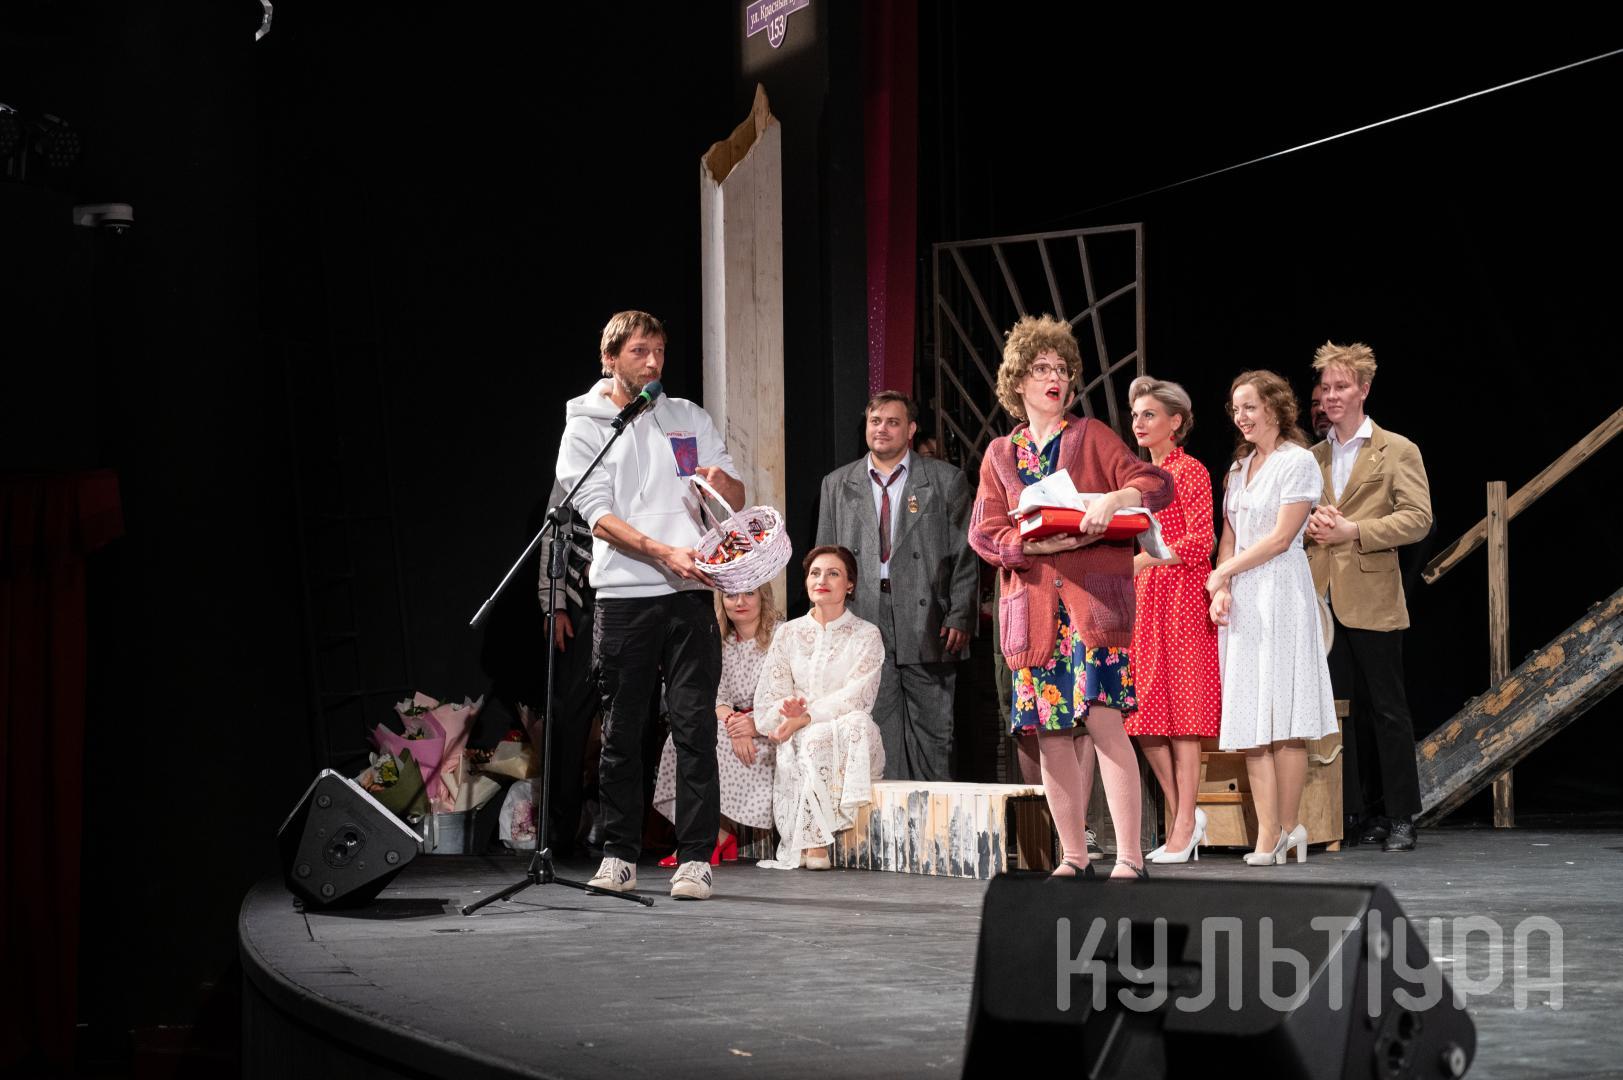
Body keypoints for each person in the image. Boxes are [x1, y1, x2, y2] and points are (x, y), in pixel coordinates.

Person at [968, 315, 1172, 881]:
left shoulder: (1093, 435)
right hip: (1035, 613)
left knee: (1105, 724)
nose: (1054, 378)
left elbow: (1156, 484)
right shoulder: (1000, 454)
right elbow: (983, 532)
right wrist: (1029, 545)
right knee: (1051, 733)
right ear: (1019, 381)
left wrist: (1115, 499)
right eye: (1041, 369)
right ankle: (1074, 856)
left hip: (1091, 609)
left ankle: (1129, 856)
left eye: (1061, 368)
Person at [555, 310, 745, 901]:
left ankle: (695, 859)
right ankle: (618, 854)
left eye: (660, 350)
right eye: (640, 351)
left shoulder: (687, 415)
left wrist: (723, 484)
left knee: (694, 726)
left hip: (690, 595)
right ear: (609, 358)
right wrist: (664, 553)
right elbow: (598, 517)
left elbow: (735, 495)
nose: (654, 362)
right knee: (622, 731)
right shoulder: (587, 426)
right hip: (625, 596)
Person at [1207, 370, 1339, 866]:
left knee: (1284, 719)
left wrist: (1224, 573)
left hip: (1281, 592)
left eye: (1250, 407)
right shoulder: (1239, 468)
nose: (1241, 417)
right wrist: (1223, 586)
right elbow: (1229, 534)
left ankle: (1284, 828)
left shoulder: (1297, 462)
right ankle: (1270, 832)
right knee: (1250, 719)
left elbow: (1282, 538)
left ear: (1274, 408)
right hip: (1245, 598)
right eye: (1235, 408)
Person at [1305, 342, 1433, 852]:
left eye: (1341, 386)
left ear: (1364, 389)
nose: (1332, 396)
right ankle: (1349, 812)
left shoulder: (1396, 449)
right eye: (1326, 388)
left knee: (1387, 709)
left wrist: (1354, 530)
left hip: (1372, 594)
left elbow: (1418, 518)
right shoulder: (1311, 457)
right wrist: (1309, 528)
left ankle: (1400, 815)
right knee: (1336, 711)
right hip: (1320, 597)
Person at [815, 391, 979, 780]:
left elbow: (965, 554)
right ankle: (886, 819)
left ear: (911, 429)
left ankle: (935, 818)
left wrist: (960, 613)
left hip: (930, 622)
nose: (882, 429)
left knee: (934, 736)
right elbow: (825, 559)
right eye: (876, 421)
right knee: (873, 733)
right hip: (863, 618)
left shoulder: (945, 480)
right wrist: (826, 621)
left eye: (893, 422)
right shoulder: (837, 484)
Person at [1124, 376, 1221, 865]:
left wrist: (1146, 560)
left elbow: (1201, 540)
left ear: (1175, 421)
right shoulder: (1141, 477)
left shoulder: (1190, 470)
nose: (1139, 423)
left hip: (1182, 594)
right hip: (1146, 599)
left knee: (1184, 717)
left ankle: (1183, 823)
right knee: (1142, 714)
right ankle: (1184, 811)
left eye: (1149, 415)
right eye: (1136, 415)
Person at [753, 546, 887, 870]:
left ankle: (815, 842)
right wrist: (786, 710)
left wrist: (807, 717)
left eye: (833, 573)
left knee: (849, 724)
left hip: (853, 738)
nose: (821, 580)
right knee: (811, 739)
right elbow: (769, 697)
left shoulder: (867, 635)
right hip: (800, 736)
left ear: (850, 584)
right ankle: (813, 842)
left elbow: (858, 697)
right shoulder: (788, 633)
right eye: (815, 573)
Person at [650, 586, 781, 865]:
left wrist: (754, 725)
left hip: (772, 729)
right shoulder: (719, 640)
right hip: (735, 725)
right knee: (686, 738)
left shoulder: (782, 636)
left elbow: (790, 693)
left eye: (749, 594)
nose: (740, 601)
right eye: (731, 595)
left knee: (714, 743)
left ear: (763, 597)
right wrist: (734, 724)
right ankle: (704, 834)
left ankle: (715, 836)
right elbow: (716, 696)